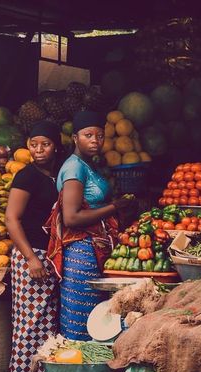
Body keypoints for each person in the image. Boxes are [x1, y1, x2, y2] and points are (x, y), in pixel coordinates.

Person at [45, 110, 135, 341]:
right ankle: (76, 371)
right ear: (75, 138)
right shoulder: (75, 168)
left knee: (97, 320)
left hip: (93, 250)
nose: (95, 141)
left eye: (100, 136)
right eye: (88, 135)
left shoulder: (87, 165)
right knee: (82, 323)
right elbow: (71, 218)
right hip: (81, 253)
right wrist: (115, 207)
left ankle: (91, 370)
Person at [5, 121, 62, 372]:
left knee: (47, 323)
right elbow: (12, 219)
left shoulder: (57, 174)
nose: (39, 150)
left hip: (49, 255)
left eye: (46, 144)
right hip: (31, 256)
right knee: (29, 325)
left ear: (56, 147)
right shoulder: (26, 176)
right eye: (33, 144)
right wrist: (30, 258)